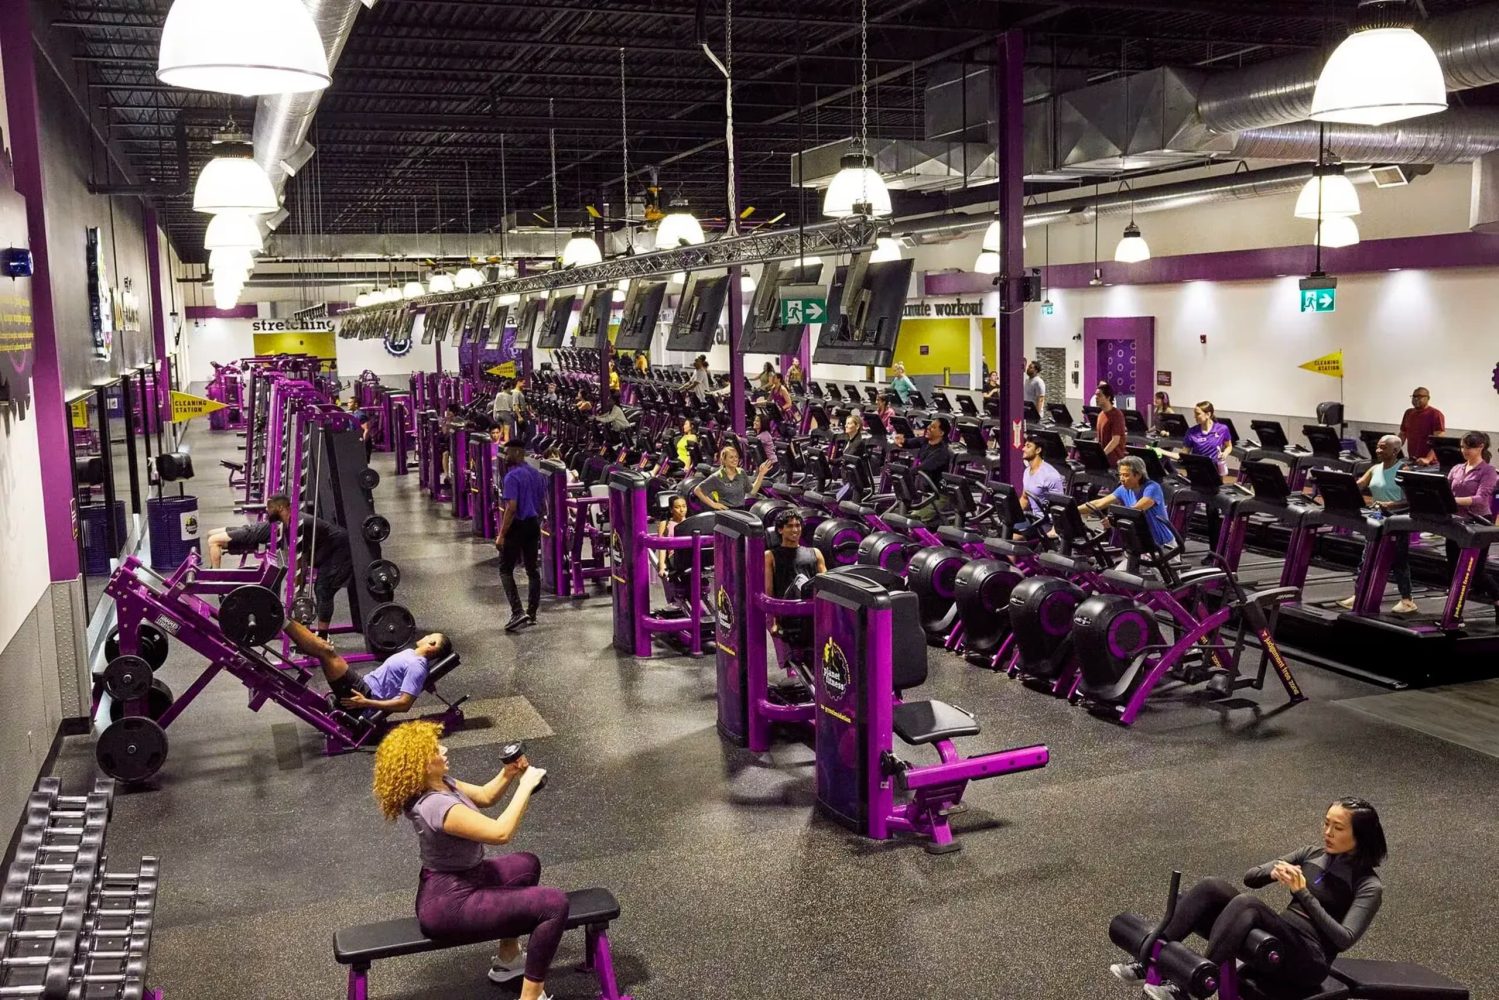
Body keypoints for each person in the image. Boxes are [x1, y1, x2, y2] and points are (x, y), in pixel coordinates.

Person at [1111, 799, 1386, 1000]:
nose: (1327, 832)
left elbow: (1344, 938)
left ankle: (1189, 986)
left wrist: (1302, 893)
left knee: (1248, 905)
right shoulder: (1311, 853)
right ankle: (1149, 960)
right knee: (1211, 887)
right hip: (1281, 934)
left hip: (1310, 961)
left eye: (1337, 828)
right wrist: (1274, 871)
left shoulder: (1368, 885)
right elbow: (1250, 877)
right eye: (1326, 823)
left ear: (1360, 836)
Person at [374, 721, 559, 1000]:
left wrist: (508, 773)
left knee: (526, 864)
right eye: (437, 749)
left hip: (466, 877)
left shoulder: (442, 782)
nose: (445, 749)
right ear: (423, 765)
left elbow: (484, 796)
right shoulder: (435, 805)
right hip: (449, 902)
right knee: (554, 905)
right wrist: (526, 785)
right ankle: (531, 998)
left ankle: (508, 960)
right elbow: (500, 832)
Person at [205, 494, 352, 637]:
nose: (267, 511)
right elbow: (300, 557)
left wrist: (296, 589)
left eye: (270, 507)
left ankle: (323, 637)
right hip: (326, 551)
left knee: (323, 589)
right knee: (318, 587)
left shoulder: (300, 523)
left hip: (340, 551)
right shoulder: (288, 524)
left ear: (280, 507)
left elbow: (301, 560)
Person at [283, 619, 450, 715]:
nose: (426, 635)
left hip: (363, 694)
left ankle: (281, 619)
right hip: (363, 685)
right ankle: (282, 618)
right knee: (324, 648)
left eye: (430, 636)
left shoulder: (417, 666)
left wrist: (365, 702)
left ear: (432, 644)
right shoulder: (414, 657)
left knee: (325, 651)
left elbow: (404, 705)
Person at [1330, 435, 1416, 615]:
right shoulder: (1374, 469)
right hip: (1376, 518)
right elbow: (1357, 486)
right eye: (1377, 447)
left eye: (1383, 447)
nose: (1378, 450)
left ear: (1395, 450)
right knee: (1366, 557)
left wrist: (1389, 505)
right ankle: (1359, 594)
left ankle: (1407, 601)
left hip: (1397, 521)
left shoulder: (1404, 469)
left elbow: (1411, 500)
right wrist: (1337, 483)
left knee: (1399, 561)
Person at [495, 442, 548, 633]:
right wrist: (537, 521)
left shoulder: (511, 476)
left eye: (508, 452)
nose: (505, 455)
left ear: (518, 453)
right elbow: (543, 503)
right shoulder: (536, 474)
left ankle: (517, 612)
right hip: (533, 523)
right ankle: (531, 614)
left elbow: (511, 508)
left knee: (505, 569)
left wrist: (501, 535)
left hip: (517, 526)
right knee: (532, 569)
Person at [1445, 431, 1497, 618]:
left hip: (1479, 523)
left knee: (1475, 570)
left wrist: (1453, 501)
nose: (1464, 450)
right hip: (1456, 522)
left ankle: (1498, 597)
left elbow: (1480, 499)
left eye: (1469, 447)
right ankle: (1454, 612)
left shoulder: (1488, 471)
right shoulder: (1457, 468)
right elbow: (1445, 490)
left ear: (1481, 447)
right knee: (1453, 567)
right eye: (1462, 447)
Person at [1081, 454, 1175, 551]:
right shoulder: (1123, 489)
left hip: (1164, 546)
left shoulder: (1153, 488)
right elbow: (1099, 503)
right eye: (1120, 475)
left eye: (1126, 475)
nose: (1121, 479)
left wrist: (1113, 520)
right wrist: (1073, 510)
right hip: (1141, 546)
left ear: (1138, 475)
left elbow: (1136, 509)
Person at [1177, 400, 1234, 558]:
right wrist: (1162, 451)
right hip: (1196, 475)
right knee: (1187, 511)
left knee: (1212, 513)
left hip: (1214, 474)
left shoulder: (1222, 429)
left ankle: (1214, 553)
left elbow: (1229, 445)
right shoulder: (1191, 432)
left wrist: (1225, 453)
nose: (1194, 416)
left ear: (1208, 414)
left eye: (1198, 414)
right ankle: (1177, 549)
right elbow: (1184, 454)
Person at [764, 510, 826, 650]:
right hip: (788, 610)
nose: (795, 529)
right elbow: (769, 591)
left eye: (798, 525)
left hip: (811, 610)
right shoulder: (770, 556)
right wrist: (774, 621)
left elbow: (826, 585)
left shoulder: (815, 553)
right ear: (780, 530)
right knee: (800, 581)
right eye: (790, 526)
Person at [693, 446, 774, 511]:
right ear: (724, 460)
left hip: (741, 511)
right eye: (731, 457)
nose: (735, 459)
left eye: (736, 457)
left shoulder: (741, 472)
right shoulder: (717, 477)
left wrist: (761, 474)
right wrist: (713, 504)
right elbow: (698, 490)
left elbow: (752, 491)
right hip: (725, 512)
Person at [908, 418, 954, 525]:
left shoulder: (941, 452)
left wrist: (906, 472)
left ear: (941, 433)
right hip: (928, 494)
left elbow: (922, 468)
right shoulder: (928, 444)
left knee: (913, 519)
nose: (928, 428)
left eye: (933, 427)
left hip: (939, 496)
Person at [1016, 437, 1065, 539]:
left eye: (1028, 446)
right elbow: (1025, 498)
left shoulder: (1050, 475)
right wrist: (1012, 516)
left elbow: (1061, 507)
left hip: (1047, 523)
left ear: (1038, 450)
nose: (1023, 449)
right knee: (1004, 530)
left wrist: (1055, 530)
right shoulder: (1027, 471)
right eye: (1024, 445)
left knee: (1012, 538)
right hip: (1034, 518)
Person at [1398, 386, 1445, 468]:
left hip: (1430, 464)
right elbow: (1402, 434)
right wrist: (1392, 450)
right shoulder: (1408, 413)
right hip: (1413, 461)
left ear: (1428, 398)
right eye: (1414, 396)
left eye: (1420, 396)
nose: (1416, 399)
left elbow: (1438, 441)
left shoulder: (1435, 414)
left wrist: (1428, 458)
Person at [1094, 382, 1128, 466]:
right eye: (1096, 395)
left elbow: (1115, 440)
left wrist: (1101, 455)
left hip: (1115, 461)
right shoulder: (1101, 415)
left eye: (1099, 395)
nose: (1096, 398)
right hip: (1104, 460)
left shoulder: (1117, 415)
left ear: (1108, 397)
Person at [657, 495, 688, 579]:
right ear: (671, 510)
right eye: (677, 507)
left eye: (684, 506)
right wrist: (662, 567)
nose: (682, 510)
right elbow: (662, 547)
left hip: (689, 555)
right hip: (674, 558)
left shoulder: (691, 522)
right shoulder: (665, 523)